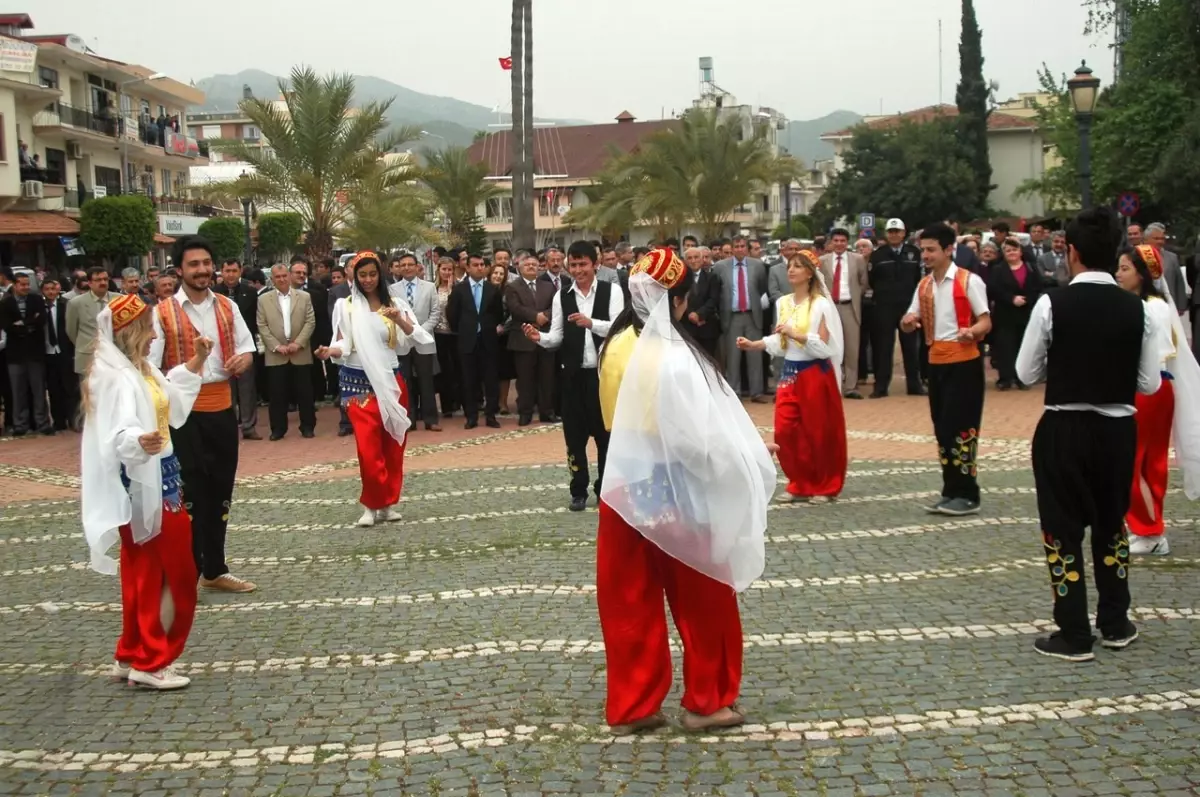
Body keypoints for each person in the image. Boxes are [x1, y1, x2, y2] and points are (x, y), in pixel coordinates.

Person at [596, 247, 777, 733]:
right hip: (678, 488)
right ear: (676, 301)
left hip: (626, 486)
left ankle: (633, 705)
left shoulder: (615, 345)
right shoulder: (674, 356)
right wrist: (744, 458)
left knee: (628, 597)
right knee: (705, 595)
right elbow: (697, 441)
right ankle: (708, 699)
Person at [1015, 208, 1164, 661]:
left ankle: (1074, 631)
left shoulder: (1051, 303)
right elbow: (1150, 383)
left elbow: (1025, 372)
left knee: (1061, 529)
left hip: (1064, 424)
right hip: (1117, 427)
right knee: (1110, 524)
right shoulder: (1139, 309)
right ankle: (1116, 622)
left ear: (1072, 253)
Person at [82, 294, 209, 689]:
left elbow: (169, 397)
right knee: (177, 572)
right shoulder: (119, 378)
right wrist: (141, 442)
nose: (156, 334)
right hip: (146, 484)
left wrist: (198, 361)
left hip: (158, 478)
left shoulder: (141, 369)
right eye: (149, 327)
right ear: (132, 333)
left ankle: (131, 653)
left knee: (143, 572)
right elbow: (117, 431)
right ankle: (153, 661)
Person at [150, 236, 258, 594]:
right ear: (179, 269)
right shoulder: (162, 312)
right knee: (190, 493)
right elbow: (150, 367)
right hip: (182, 415)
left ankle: (214, 567)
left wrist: (244, 359)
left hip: (222, 408)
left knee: (221, 488)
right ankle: (188, 571)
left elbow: (246, 347)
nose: (202, 270)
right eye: (193, 265)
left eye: (206, 264)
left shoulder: (227, 305)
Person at [318, 252, 431, 527]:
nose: (367, 280)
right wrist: (329, 351)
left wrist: (399, 318)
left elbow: (416, 338)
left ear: (380, 275)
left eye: (372, 274)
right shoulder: (345, 307)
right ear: (354, 276)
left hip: (391, 382)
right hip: (357, 383)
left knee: (393, 445)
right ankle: (371, 503)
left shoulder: (395, 303)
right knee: (368, 449)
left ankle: (388, 503)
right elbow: (343, 344)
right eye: (362, 275)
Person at [738, 250, 846, 501]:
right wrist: (755, 345)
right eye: (790, 266)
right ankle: (799, 481)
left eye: (798, 266)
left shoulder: (820, 305)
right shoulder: (783, 302)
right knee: (785, 430)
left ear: (810, 272)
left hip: (815, 373)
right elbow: (780, 339)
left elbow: (824, 346)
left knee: (817, 431)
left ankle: (825, 484)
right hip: (789, 373)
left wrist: (796, 333)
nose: (791, 270)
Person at [524, 240, 624, 511]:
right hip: (572, 377)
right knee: (574, 438)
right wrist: (538, 338)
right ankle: (578, 489)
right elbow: (556, 336)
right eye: (574, 264)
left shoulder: (611, 291)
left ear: (596, 264)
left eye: (584, 264)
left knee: (606, 438)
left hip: (603, 377)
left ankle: (605, 488)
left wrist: (590, 323)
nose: (578, 270)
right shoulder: (562, 296)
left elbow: (618, 328)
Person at [900, 223, 992, 516]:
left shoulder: (968, 281)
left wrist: (972, 332)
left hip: (964, 362)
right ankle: (951, 490)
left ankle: (967, 493)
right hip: (936, 361)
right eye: (923, 250)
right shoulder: (924, 285)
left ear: (949, 249)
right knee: (942, 429)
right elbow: (911, 314)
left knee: (962, 429)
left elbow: (985, 321)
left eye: (931, 250)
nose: (925, 255)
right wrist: (908, 320)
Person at [1114, 245, 1200, 556]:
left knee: (1133, 460)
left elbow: (1153, 356)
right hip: (1153, 388)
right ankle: (1149, 527)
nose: (1118, 274)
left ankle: (1149, 530)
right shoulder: (1149, 304)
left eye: (1125, 268)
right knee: (1148, 461)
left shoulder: (1152, 308)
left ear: (1142, 272)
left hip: (1148, 388)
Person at [988, 237, 1043, 391]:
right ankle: (1005, 378)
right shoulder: (998, 269)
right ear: (1003, 253)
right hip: (1004, 314)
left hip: (1025, 314)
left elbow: (1038, 287)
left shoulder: (1030, 268)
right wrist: (1011, 299)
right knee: (1005, 347)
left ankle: (1021, 378)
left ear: (1020, 252)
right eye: (1008, 250)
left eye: (1014, 250)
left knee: (1023, 346)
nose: (1011, 253)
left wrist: (1027, 300)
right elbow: (992, 289)